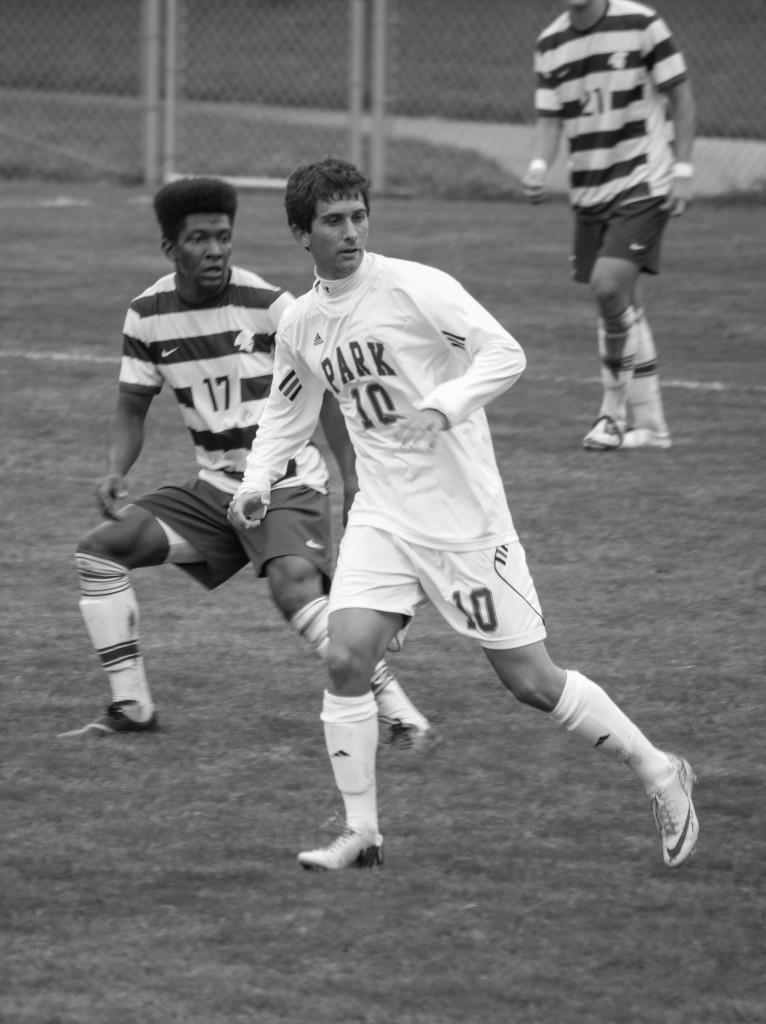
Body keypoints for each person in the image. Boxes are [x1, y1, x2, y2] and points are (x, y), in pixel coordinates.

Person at [228, 156, 698, 871]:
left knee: (532, 683)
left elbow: (505, 355)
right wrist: (256, 479)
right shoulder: (302, 321)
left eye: (358, 215)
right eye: (333, 220)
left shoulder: (415, 288)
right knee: (348, 656)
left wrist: (442, 406)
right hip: (384, 516)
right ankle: (362, 833)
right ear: (302, 232)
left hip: (463, 521)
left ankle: (659, 768)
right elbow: (287, 410)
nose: (350, 231)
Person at [59, 175, 430, 744]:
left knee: (293, 588)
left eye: (224, 238)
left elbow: (327, 397)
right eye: (200, 239)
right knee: (99, 554)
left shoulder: (270, 307)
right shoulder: (147, 315)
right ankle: (131, 708)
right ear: (170, 249)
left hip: (286, 482)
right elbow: (131, 409)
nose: (215, 251)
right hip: (216, 492)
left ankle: (404, 717)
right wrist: (116, 470)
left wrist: (354, 477)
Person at [521, 0, 696, 451]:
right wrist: (540, 163)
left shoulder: (641, 23)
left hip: (644, 181)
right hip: (589, 193)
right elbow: (549, 119)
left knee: (607, 286)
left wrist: (683, 170)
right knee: (622, 300)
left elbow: (680, 94)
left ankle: (611, 415)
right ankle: (653, 429)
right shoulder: (550, 43)